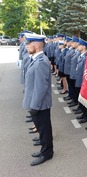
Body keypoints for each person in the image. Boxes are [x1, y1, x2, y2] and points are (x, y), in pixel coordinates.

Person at [22, 33, 54, 166]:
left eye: (29, 44)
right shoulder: (37, 59)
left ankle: (47, 153)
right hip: (36, 102)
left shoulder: (41, 62)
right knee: (42, 129)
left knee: (44, 129)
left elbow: (41, 87)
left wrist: (34, 106)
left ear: (36, 45)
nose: (27, 46)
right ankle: (44, 149)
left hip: (39, 104)